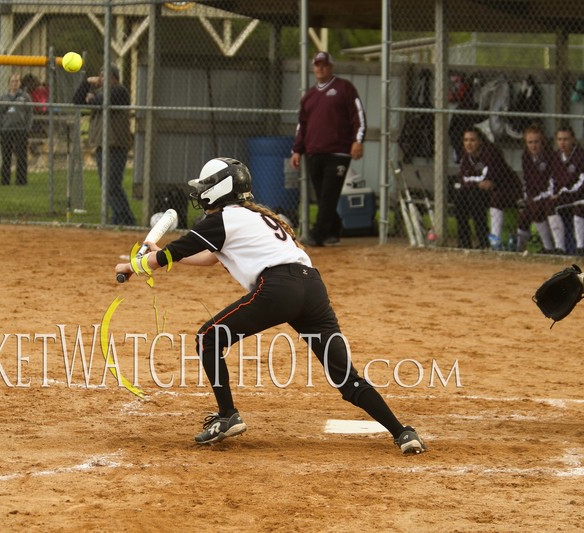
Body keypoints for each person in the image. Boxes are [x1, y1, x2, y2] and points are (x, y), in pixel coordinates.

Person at [114, 157, 427, 454]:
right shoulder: (256, 216)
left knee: (208, 338)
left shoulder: (222, 219)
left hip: (279, 288)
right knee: (345, 377)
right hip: (312, 287)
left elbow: (169, 256)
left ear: (218, 191)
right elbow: (206, 257)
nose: (199, 194)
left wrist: (133, 265)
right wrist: (156, 254)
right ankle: (402, 432)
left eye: (204, 188)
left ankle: (228, 416)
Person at [290, 51, 366, 247]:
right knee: (322, 195)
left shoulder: (344, 88)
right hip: (314, 152)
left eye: (324, 64)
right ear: (313, 67)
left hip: (338, 152)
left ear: (331, 67)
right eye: (317, 64)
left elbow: (358, 116)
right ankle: (333, 231)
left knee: (329, 194)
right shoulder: (309, 96)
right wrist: (297, 150)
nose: (320, 68)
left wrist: (358, 140)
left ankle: (317, 235)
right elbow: (302, 125)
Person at [72, 64, 135, 226]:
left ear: (113, 77)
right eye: (99, 75)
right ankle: (121, 218)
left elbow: (101, 101)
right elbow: (77, 101)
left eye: (104, 76)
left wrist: (92, 98)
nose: (100, 79)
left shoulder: (120, 91)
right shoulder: (101, 92)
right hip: (101, 145)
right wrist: (87, 82)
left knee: (112, 185)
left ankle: (124, 218)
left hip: (116, 145)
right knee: (107, 186)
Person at [454, 127, 521, 250]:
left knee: (474, 197)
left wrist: (473, 182)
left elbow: (488, 181)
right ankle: (464, 242)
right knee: (460, 198)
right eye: (466, 140)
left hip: (504, 188)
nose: (469, 143)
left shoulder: (490, 153)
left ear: (480, 141)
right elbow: (463, 178)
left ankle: (484, 241)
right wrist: (476, 183)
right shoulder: (466, 156)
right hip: (479, 190)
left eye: (472, 140)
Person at [516, 125, 556, 254]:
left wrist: (536, 198)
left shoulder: (550, 156)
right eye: (530, 142)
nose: (533, 146)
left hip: (550, 195)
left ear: (542, 141)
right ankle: (518, 249)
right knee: (523, 217)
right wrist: (527, 197)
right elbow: (527, 181)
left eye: (536, 142)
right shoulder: (526, 157)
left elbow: (553, 183)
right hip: (534, 197)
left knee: (536, 208)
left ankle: (548, 248)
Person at [547, 126, 584, 255]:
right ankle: (559, 248)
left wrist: (562, 193)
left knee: (580, 207)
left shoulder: (580, 156)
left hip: (578, 195)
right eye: (560, 139)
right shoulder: (556, 156)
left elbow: (581, 183)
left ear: (573, 139)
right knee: (550, 205)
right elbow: (552, 179)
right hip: (563, 197)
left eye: (566, 139)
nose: (562, 143)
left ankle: (580, 248)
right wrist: (553, 194)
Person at [0, 73, 33, 186]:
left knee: (21, 157)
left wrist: (27, 128)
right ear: (9, 83)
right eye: (12, 81)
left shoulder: (25, 97)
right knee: (6, 157)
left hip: (20, 130)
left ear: (20, 83)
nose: (14, 83)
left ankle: (21, 181)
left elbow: (29, 114)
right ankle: (5, 181)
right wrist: (0, 127)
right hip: (6, 130)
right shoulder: (3, 97)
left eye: (17, 81)